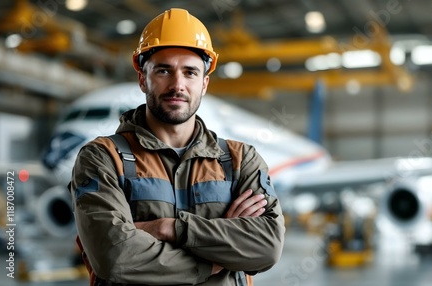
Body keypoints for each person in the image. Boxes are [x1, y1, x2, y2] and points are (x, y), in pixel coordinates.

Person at [69, 7, 285, 286]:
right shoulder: (103, 158)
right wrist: (217, 259)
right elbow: (115, 256)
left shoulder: (241, 160)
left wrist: (167, 228)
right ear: (142, 79)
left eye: (190, 72)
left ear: (204, 83)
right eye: (163, 70)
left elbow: (266, 247)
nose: (177, 84)